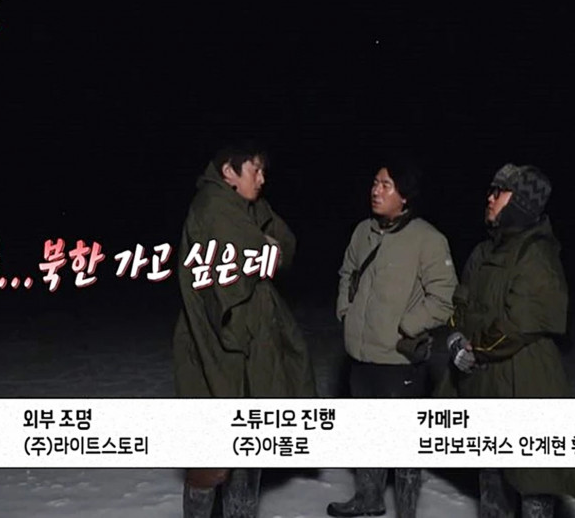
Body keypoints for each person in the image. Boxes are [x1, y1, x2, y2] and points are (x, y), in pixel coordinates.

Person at [440, 163, 575, 518]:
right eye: (491, 190)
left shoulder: (536, 254)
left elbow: (521, 321)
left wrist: (476, 349)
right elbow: (461, 303)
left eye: (499, 192)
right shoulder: (484, 252)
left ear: (521, 202)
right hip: (485, 380)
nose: (490, 198)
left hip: (526, 379)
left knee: (534, 478)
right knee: (490, 472)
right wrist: (455, 337)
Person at [172, 140, 317, 518]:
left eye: (263, 170)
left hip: (250, 343)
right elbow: (240, 271)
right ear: (228, 172)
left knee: (246, 449)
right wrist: (263, 247)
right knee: (212, 458)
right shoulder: (213, 207)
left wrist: (265, 243)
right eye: (255, 170)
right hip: (220, 345)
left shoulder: (247, 206)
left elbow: (285, 247)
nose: (263, 179)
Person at [327, 159, 459, 518]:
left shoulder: (428, 240)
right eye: (375, 183)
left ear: (405, 196)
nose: (376, 191)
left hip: (398, 361)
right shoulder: (363, 232)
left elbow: (445, 297)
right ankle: (368, 498)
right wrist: (345, 310)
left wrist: (406, 326)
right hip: (361, 356)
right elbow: (347, 272)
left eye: (386, 185)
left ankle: (406, 511)